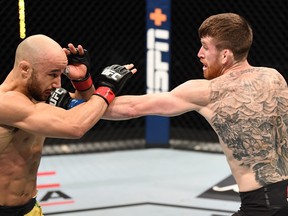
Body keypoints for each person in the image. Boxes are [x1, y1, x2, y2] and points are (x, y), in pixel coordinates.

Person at [102, 13, 288, 215]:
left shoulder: (205, 91)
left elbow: (132, 107)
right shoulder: (274, 77)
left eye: (205, 47)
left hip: (262, 205)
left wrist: (81, 99)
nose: (199, 54)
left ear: (225, 55)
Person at [0, 34, 136, 215]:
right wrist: (108, 86)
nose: (57, 84)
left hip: (29, 208)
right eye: (52, 74)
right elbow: (75, 126)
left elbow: (87, 108)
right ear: (25, 69)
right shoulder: (5, 102)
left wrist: (82, 81)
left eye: (61, 74)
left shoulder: (40, 94)